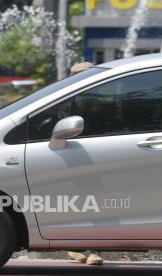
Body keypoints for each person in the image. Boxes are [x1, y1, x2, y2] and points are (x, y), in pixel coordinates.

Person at [66, 61, 103, 266]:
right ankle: (77, 246)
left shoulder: (102, 99)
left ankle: (92, 248)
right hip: (71, 156)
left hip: (98, 154)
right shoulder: (65, 100)